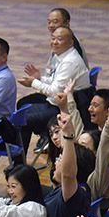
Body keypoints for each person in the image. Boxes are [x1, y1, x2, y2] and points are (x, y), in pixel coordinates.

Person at [17, 26, 91, 154]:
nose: (54, 42)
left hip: (65, 108)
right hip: (57, 101)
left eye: (59, 39)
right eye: (53, 38)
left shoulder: (70, 62)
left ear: (71, 42)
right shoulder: (61, 56)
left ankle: (19, 161)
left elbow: (55, 91)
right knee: (23, 103)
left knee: (23, 119)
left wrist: (34, 82)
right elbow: (55, 81)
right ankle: (46, 135)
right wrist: (39, 78)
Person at [54, 82, 109, 200]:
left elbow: (105, 151)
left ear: (95, 153)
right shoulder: (80, 164)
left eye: (83, 145)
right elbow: (75, 128)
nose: (77, 147)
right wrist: (67, 101)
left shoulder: (95, 180)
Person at [43, 114, 92, 217]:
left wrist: (69, 136)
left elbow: (68, 175)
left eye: (60, 160)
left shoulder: (73, 194)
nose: (57, 162)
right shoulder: (81, 187)